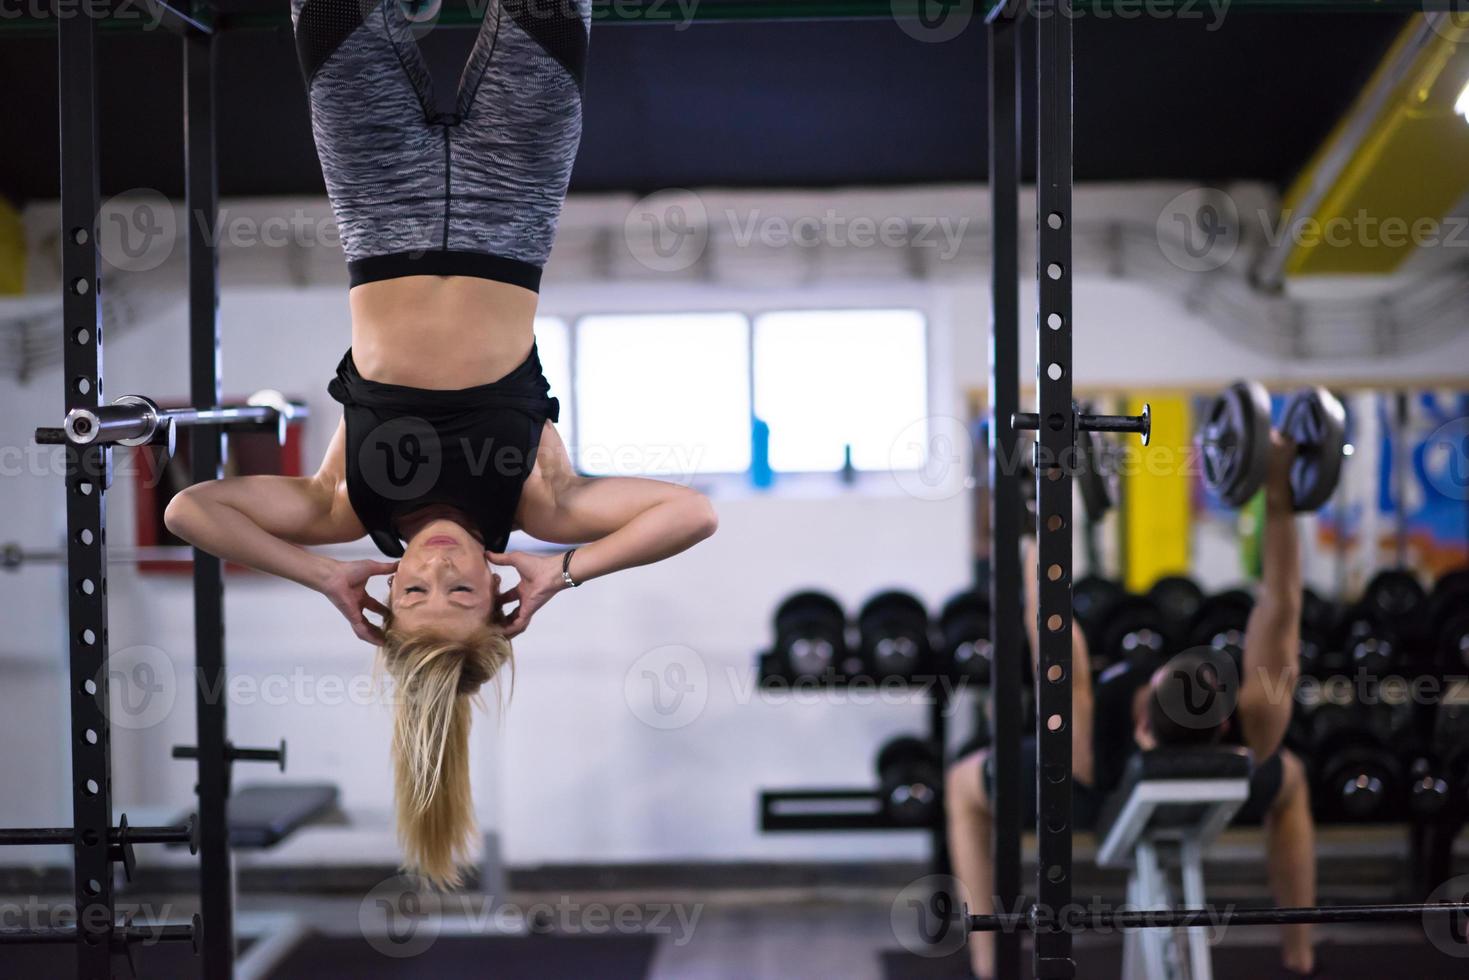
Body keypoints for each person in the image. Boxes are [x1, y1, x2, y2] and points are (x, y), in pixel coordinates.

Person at [165, 0, 717, 888]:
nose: (439, 565)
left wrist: (324, 576)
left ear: (386, 592)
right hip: (513, 195)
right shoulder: (537, 504)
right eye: (461, 590)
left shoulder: (348, 507)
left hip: (376, 198)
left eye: (413, 589)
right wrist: (566, 571)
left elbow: (191, 509)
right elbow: (691, 513)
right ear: (500, 594)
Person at [945, 433, 1317, 978]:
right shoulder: (1253, 730)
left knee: (963, 787)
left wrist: (1050, 500)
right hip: (1224, 789)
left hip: (1085, 790)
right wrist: (1280, 494)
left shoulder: (1088, 741)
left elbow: (1046, 614)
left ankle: (986, 964)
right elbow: (1282, 602)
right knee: (1292, 779)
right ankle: (1300, 954)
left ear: (1143, 724)